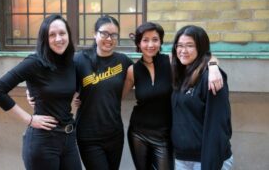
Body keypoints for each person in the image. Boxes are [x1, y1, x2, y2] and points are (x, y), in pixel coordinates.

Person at [122, 22, 224, 170]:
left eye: (155, 39)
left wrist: (214, 67)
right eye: (145, 40)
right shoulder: (132, 70)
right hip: (138, 132)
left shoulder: (171, 60)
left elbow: (205, 56)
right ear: (138, 43)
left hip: (165, 135)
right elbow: (117, 97)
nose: (150, 44)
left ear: (161, 42)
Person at [0, 14, 82, 170]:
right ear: (44, 38)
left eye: (62, 33)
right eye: (52, 35)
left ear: (68, 36)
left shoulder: (71, 63)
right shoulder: (34, 62)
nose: (58, 39)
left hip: (69, 138)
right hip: (43, 141)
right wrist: (29, 119)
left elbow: (74, 88)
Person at [74, 15, 133, 170]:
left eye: (114, 35)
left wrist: (207, 64)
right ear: (95, 34)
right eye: (104, 33)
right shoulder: (80, 59)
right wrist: (34, 93)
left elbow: (147, 74)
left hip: (115, 133)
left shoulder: (123, 61)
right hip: (88, 135)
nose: (109, 39)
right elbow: (57, 79)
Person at [170, 25, 233, 170]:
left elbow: (218, 125)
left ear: (201, 47)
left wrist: (210, 164)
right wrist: (213, 63)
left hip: (206, 160)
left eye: (190, 45)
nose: (183, 50)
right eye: (179, 45)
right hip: (182, 159)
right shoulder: (180, 73)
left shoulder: (211, 78)